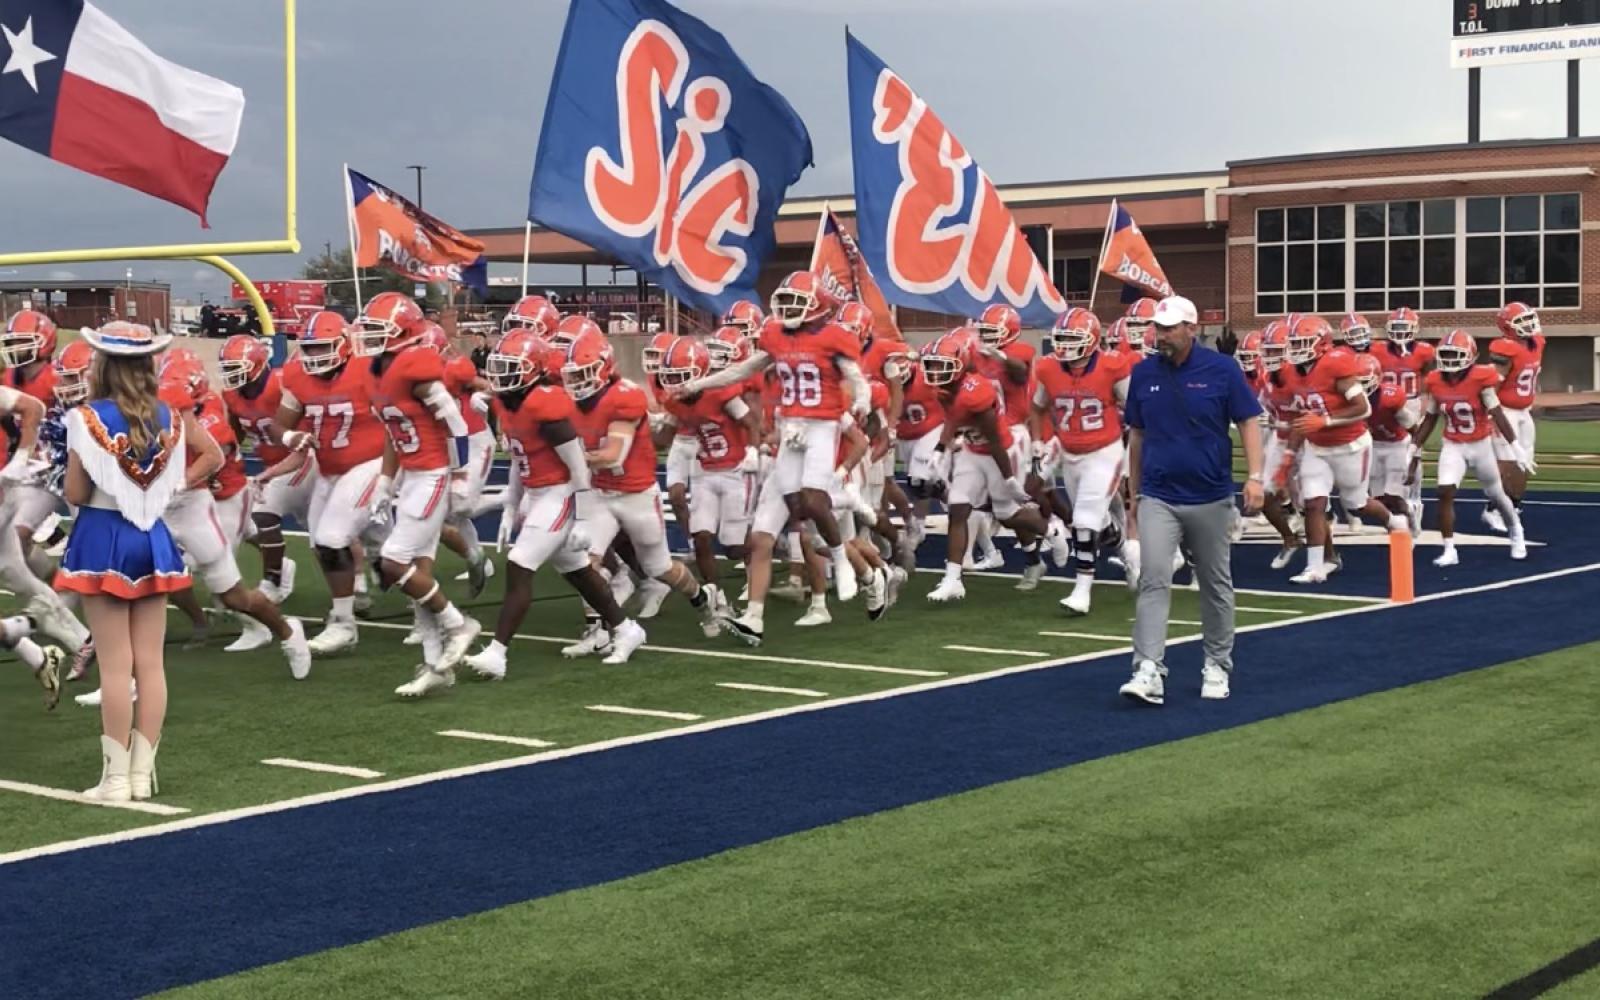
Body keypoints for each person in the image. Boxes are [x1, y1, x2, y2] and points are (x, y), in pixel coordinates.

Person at [55, 322, 192, 802]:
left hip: (103, 537)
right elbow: (180, 478)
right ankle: (141, 776)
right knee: (151, 664)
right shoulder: (170, 416)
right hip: (152, 538)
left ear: (103, 366)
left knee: (116, 667)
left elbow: (76, 492)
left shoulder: (85, 417)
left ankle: (114, 779)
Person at [1118, 296, 1264, 706]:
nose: (1161, 335)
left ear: (1191, 328)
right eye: (1158, 328)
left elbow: (1248, 420)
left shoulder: (1222, 369)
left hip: (1210, 494)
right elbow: (1137, 435)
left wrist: (1255, 477)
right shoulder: (1143, 373)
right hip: (1158, 494)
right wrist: (1134, 492)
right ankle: (1148, 668)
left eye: (1169, 328)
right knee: (1153, 578)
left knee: (1215, 583)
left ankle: (1217, 663)